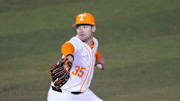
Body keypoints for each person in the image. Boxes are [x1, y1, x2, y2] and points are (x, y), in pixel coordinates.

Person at [47, 12, 105, 101]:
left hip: (84, 95)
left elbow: (92, 50)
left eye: (85, 27)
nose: (81, 30)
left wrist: (98, 58)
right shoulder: (76, 42)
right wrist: (69, 57)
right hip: (62, 96)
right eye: (78, 27)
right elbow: (68, 46)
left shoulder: (94, 42)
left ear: (93, 28)